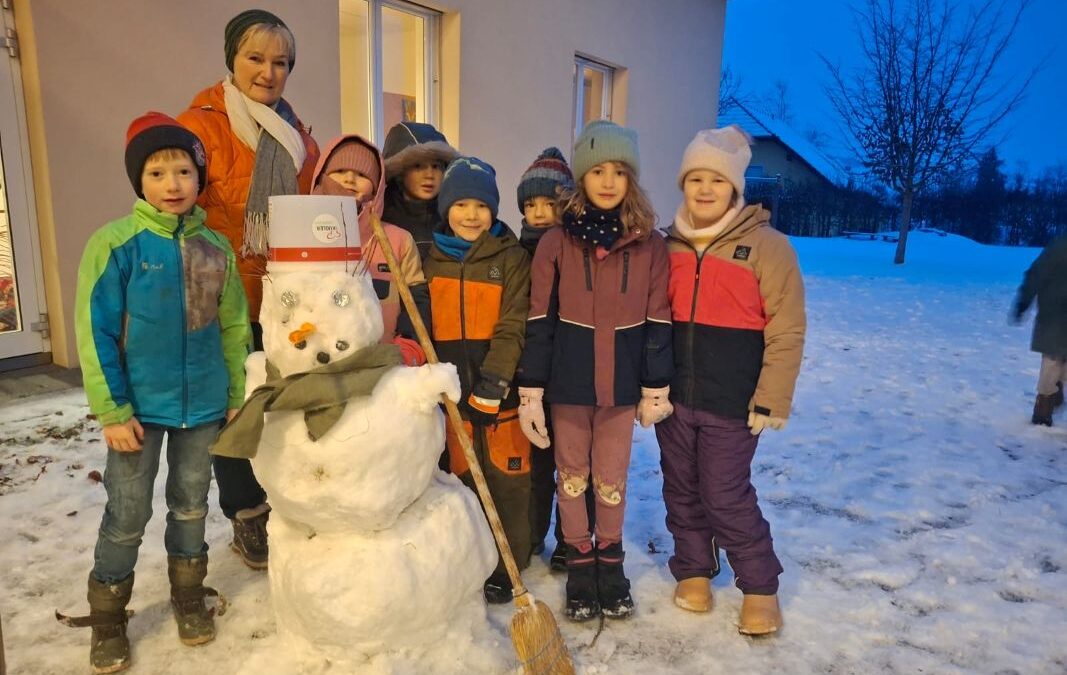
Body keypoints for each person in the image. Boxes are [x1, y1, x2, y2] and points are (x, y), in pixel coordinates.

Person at [60, 112, 251, 673]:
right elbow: (94, 331)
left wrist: (235, 393)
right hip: (137, 411)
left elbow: (234, 327)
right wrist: (112, 410)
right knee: (127, 513)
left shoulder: (216, 248)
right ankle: (107, 614)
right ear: (138, 181)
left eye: (184, 171)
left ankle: (188, 595)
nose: (172, 184)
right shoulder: (115, 244)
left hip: (203, 407)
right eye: (157, 172)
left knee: (191, 505)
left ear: (199, 179)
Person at [177, 8, 319, 568]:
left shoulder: (297, 134)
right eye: (255, 58)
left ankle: (286, 501)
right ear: (231, 59)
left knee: (279, 404)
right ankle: (246, 513)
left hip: (284, 297)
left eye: (281, 62)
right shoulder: (199, 128)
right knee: (233, 407)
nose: (268, 72)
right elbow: (179, 210)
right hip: (223, 295)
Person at [516, 120, 674, 621]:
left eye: (619, 172)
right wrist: (531, 390)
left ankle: (611, 564)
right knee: (572, 478)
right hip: (568, 385)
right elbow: (539, 320)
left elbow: (658, 320)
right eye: (598, 170)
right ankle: (580, 565)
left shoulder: (649, 245)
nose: (608, 181)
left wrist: (655, 385)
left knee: (611, 479)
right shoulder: (556, 243)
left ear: (632, 179)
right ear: (581, 176)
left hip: (621, 386)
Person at [655, 126, 806, 635]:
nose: (704, 189)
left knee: (724, 493)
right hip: (675, 398)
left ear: (735, 187)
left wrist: (772, 397)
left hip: (734, 402)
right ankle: (694, 569)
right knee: (680, 488)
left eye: (716, 180)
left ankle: (760, 585)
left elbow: (787, 327)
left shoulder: (768, 247)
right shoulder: (668, 246)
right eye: (695, 178)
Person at [423, 156, 532, 603]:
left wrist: (494, 383)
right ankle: (471, 561)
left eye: (482, 206)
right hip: (451, 397)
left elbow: (513, 325)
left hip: (499, 394)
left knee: (508, 480)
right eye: (461, 204)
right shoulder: (429, 261)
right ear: (445, 208)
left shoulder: (510, 258)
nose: (472, 215)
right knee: (461, 480)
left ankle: (511, 564)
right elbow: (422, 328)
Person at [514, 147, 593, 571]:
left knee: (575, 460)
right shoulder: (514, 253)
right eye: (531, 205)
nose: (541, 213)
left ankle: (571, 538)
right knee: (535, 462)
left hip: (571, 371)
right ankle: (531, 534)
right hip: (528, 372)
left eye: (551, 203)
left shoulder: (579, 252)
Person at [311, 133, 431, 360]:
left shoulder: (398, 240)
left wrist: (409, 346)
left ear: (377, 187)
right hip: (321, 363)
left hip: (385, 360)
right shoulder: (302, 236)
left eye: (362, 174)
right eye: (340, 171)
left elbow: (416, 301)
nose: (349, 179)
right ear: (321, 177)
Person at [381, 122, 460, 260]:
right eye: (418, 166)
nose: (429, 175)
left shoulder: (455, 215)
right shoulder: (381, 216)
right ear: (400, 171)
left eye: (436, 166)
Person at [1012, 234, 1067, 425]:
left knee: (1059, 361)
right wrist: (1023, 301)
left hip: (1054, 317)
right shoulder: (1061, 247)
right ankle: (1043, 408)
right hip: (1055, 316)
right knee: (1052, 360)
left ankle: (1055, 392)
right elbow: (1037, 273)